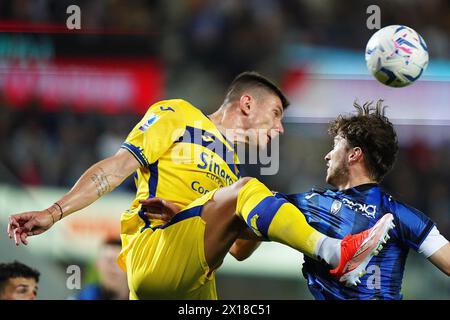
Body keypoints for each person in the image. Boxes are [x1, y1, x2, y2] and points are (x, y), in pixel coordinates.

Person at [6, 71, 393, 299]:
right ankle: (334, 251)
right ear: (246, 104)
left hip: (195, 284)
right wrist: (54, 212)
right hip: (154, 254)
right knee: (250, 190)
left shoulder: (232, 167)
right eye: (275, 115)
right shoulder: (177, 115)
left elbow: (239, 252)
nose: (279, 129)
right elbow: (117, 167)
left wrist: (253, 222)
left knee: (256, 196)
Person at [147, 100, 449, 299]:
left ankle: (337, 254)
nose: (327, 155)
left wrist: (185, 214)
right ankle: (340, 254)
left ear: (354, 155)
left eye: (336, 146)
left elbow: (238, 246)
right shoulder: (403, 216)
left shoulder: (307, 205)